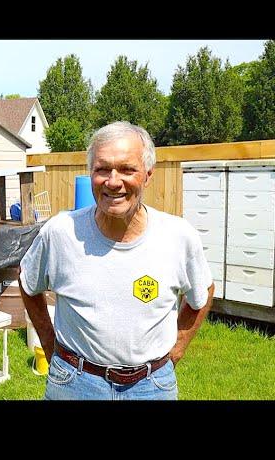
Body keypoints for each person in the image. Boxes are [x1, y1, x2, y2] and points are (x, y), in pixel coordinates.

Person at [19, 121, 214, 400]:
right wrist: (50, 345)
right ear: (90, 173)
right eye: (102, 169)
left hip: (151, 387)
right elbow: (28, 283)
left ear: (147, 175)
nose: (113, 181)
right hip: (74, 383)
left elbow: (203, 291)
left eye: (126, 169)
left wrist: (179, 345)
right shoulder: (60, 233)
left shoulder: (178, 236)